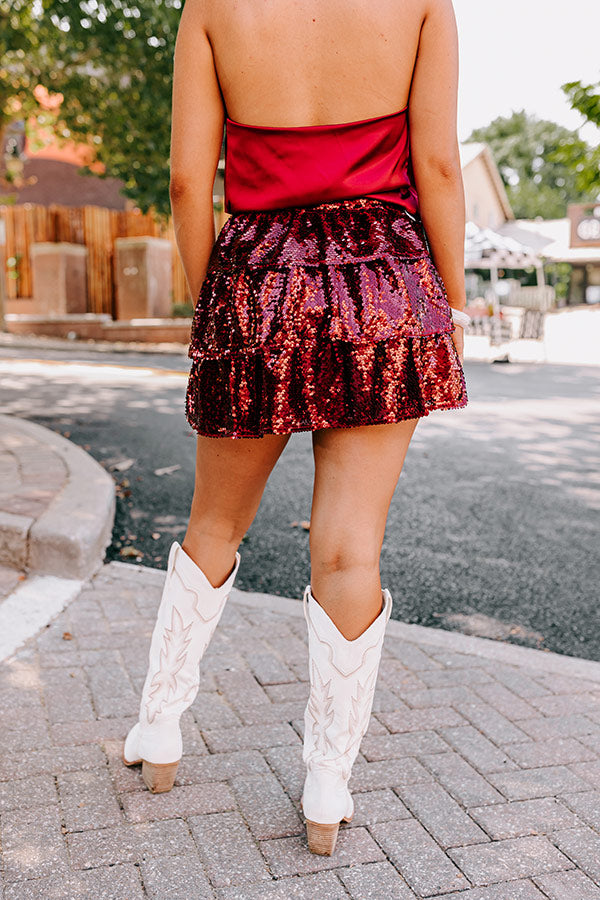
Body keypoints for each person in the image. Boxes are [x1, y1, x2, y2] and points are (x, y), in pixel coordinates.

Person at [123, 0, 468, 856]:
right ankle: (326, 781)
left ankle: (160, 729)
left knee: (213, 523)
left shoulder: (210, 6)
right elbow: (437, 164)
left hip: (258, 278)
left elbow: (183, 179)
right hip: (383, 280)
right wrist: (449, 302)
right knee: (350, 549)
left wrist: (221, 309)